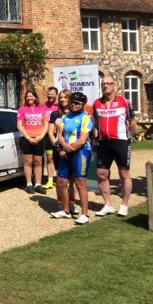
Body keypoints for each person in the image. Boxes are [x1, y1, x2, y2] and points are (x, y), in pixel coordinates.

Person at [93, 76, 136, 217]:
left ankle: (124, 205)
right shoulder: (97, 103)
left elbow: (132, 122)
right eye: (103, 84)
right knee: (101, 173)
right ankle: (107, 205)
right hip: (104, 142)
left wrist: (130, 138)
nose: (105, 86)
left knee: (124, 174)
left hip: (121, 141)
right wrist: (95, 135)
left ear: (114, 85)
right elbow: (96, 123)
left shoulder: (125, 102)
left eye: (108, 83)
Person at [52, 92, 93, 225]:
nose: (74, 105)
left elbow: (82, 140)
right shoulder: (66, 117)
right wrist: (64, 147)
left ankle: (85, 214)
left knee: (80, 182)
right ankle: (66, 210)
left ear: (83, 105)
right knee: (61, 182)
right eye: (72, 102)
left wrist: (69, 148)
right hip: (66, 151)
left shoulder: (85, 118)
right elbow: (60, 135)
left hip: (81, 152)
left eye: (77, 103)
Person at [47, 89, 78, 215]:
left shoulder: (76, 113)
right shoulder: (55, 114)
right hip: (59, 151)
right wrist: (59, 148)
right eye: (61, 97)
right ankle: (61, 203)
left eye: (65, 97)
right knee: (61, 180)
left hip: (73, 149)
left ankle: (71, 203)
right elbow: (50, 132)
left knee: (73, 179)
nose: (63, 99)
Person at [17, 90, 48, 194]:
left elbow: (46, 125)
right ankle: (29, 184)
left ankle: (38, 184)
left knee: (38, 162)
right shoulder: (22, 109)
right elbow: (19, 126)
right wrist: (29, 138)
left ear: (35, 97)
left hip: (39, 138)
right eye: (27, 96)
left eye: (31, 96)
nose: (29, 98)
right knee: (28, 162)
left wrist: (41, 137)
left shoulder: (41, 109)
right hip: (26, 139)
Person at [41, 87, 59, 190]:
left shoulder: (59, 106)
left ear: (56, 94)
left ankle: (63, 179)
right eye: (49, 94)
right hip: (48, 135)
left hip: (59, 134)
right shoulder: (43, 106)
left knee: (61, 158)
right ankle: (50, 180)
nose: (50, 95)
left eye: (52, 94)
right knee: (49, 158)